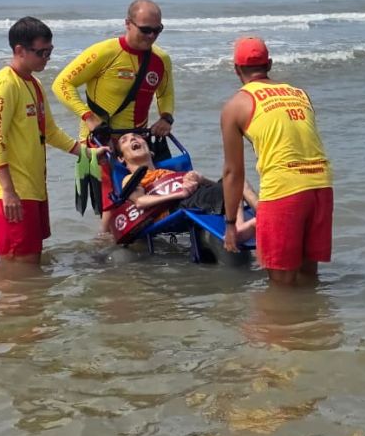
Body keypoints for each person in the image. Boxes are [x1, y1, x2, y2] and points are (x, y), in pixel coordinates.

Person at [53, 0, 176, 234]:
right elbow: (62, 84)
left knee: (146, 194)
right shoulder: (104, 52)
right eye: (145, 30)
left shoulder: (161, 59)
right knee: (111, 203)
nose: (152, 36)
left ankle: (144, 242)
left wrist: (166, 117)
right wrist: (89, 118)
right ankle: (104, 246)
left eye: (157, 30)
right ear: (128, 24)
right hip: (100, 140)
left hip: (136, 141)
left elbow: (166, 92)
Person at [220, 37, 334, 285]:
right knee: (308, 277)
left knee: (281, 285)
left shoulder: (236, 105)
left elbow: (233, 172)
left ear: (236, 69)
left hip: (284, 191)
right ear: (269, 64)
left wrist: (230, 224)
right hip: (321, 185)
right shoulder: (299, 94)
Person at [0, 17, 86, 263]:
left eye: (50, 51)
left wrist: (85, 153)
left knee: (32, 264)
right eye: (42, 52)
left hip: (34, 188)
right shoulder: (5, 84)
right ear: (20, 50)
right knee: (18, 267)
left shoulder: (34, 83)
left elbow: (49, 131)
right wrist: (8, 191)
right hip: (12, 194)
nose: (47, 58)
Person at [114, 131, 257, 242]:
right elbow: (140, 201)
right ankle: (239, 228)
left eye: (137, 137)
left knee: (236, 179)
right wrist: (178, 194)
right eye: (124, 140)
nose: (132, 139)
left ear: (151, 151)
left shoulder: (168, 172)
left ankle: (262, 212)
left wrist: (202, 179)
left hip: (192, 199)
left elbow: (215, 189)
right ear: (121, 159)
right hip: (172, 208)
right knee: (231, 187)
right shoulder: (130, 178)